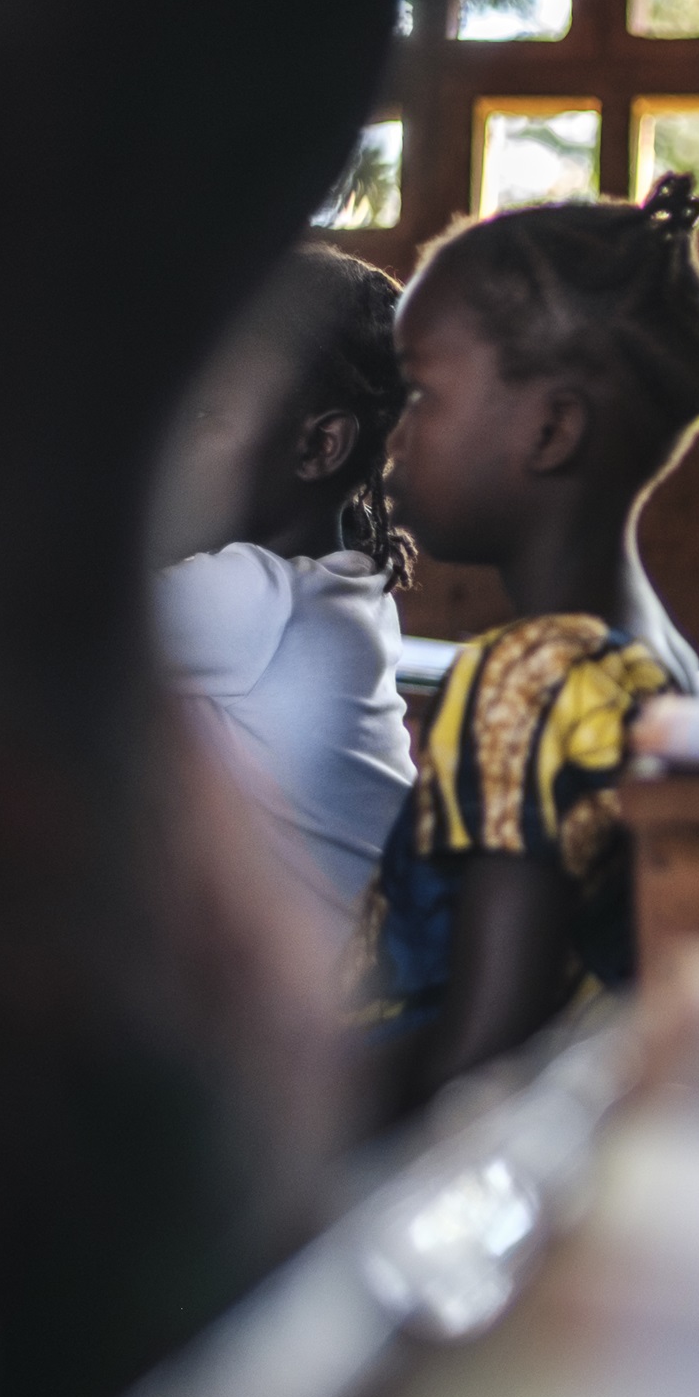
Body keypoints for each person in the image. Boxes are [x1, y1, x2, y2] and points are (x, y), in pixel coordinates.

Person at [361, 173, 699, 1115]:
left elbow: (480, 1054)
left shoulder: (525, 677)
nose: (393, 438)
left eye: (418, 393)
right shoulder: (659, 657)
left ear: (553, 427)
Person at [150, 244, 419, 948]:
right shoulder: (338, 581)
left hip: (342, 1010)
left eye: (204, 416)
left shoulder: (247, 596)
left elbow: (26, 618)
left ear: (319, 446)